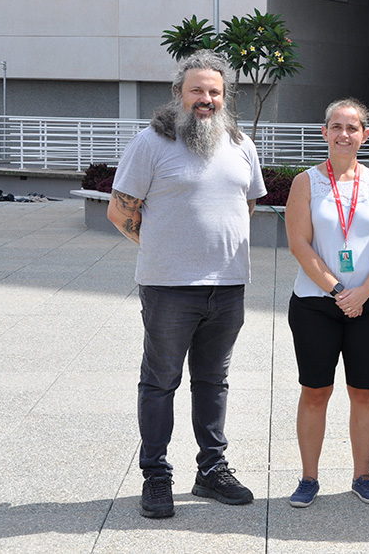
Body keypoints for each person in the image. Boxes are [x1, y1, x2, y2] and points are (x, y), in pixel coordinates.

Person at [107, 50, 267, 519]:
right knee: (160, 382)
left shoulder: (241, 143)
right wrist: (162, 248)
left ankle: (210, 470)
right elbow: (120, 211)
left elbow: (248, 205)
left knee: (213, 381)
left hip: (228, 286)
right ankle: (156, 475)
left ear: (225, 97)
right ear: (179, 94)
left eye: (215, 91)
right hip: (168, 288)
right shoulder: (150, 144)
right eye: (197, 89)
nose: (206, 98)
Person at [283, 98, 369, 508]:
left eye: (353, 128)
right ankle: (308, 477)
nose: (344, 134)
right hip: (316, 303)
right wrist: (337, 290)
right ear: (324, 132)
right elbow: (299, 244)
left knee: (364, 391)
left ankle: (362, 475)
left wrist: (363, 291)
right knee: (315, 390)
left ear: (365, 135)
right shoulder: (306, 182)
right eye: (336, 126)